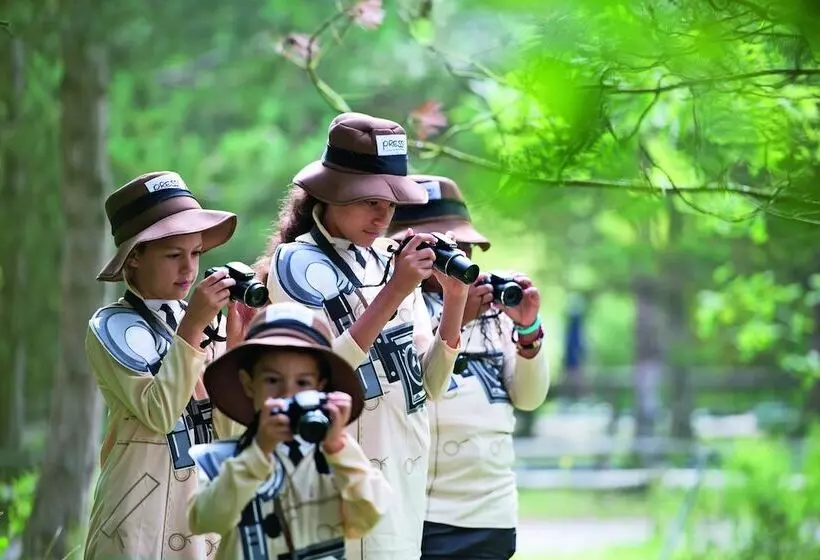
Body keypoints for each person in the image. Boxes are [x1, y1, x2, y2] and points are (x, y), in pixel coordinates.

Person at [253, 112, 468, 560]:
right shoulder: (295, 265)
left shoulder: (389, 259)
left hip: (405, 465)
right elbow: (315, 377)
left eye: (391, 203)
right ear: (331, 194)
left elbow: (430, 386)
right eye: (369, 199)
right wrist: (394, 292)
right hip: (339, 467)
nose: (382, 214)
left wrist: (454, 300)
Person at [388, 175, 550, 560]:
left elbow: (528, 399)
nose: (453, 257)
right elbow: (411, 393)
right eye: (437, 247)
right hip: (418, 509)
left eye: (461, 245)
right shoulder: (391, 308)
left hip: (489, 511)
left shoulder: (497, 308)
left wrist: (527, 329)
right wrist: (456, 317)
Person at [84, 171, 244, 559]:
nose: (188, 269)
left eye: (195, 254)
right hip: (138, 511)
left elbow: (228, 428)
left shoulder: (206, 320)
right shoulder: (111, 326)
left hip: (201, 508)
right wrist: (192, 327)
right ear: (134, 258)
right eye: (174, 255)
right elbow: (160, 412)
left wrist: (238, 344)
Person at [188, 302, 392, 560]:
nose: (288, 394)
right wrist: (258, 453)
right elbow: (206, 520)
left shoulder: (336, 457)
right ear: (248, 384)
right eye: (272, 380)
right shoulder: (223, 458)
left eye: (303, 382)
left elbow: (368, 516)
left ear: (321, 386)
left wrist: (339, 446)